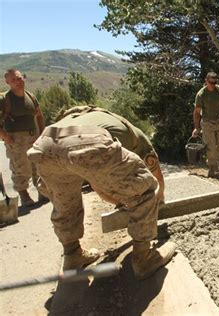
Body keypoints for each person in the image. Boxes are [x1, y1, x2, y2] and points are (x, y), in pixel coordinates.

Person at [27, 106, 176, 280]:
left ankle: (72, 255)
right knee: (146, 189)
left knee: (65, 203)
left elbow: (99, 185)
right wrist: (157, 200)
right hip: (85, 142)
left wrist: (123, 201)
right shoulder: (131, 131)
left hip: (44, 146)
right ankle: (144, 259)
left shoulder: (72, 120)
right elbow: (155, 175)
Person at [0, 69, 46, 206]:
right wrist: (5, 137)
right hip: (15, 139)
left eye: (19, 79)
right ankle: (24, 194)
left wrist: (43, 134)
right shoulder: (4, 99)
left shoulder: (30, 96)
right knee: (20, 167)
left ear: (24, 79)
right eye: (13, 80)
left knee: (37, 165)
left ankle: (42, 192)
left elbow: (39, 115)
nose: (17, 82)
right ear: (7, 82)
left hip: (34, 135)